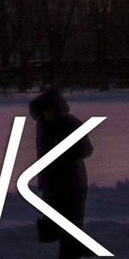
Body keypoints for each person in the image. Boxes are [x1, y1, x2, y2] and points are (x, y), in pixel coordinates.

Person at [26, 80, 93, 243]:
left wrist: (62, 158)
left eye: (48, 111)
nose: (45, 115)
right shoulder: (43, 125)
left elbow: (86, 149)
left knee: (71, 229)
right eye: (42, 112)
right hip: (53, 184)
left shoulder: (69, 123)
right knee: (50, 228)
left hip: (72, 183)